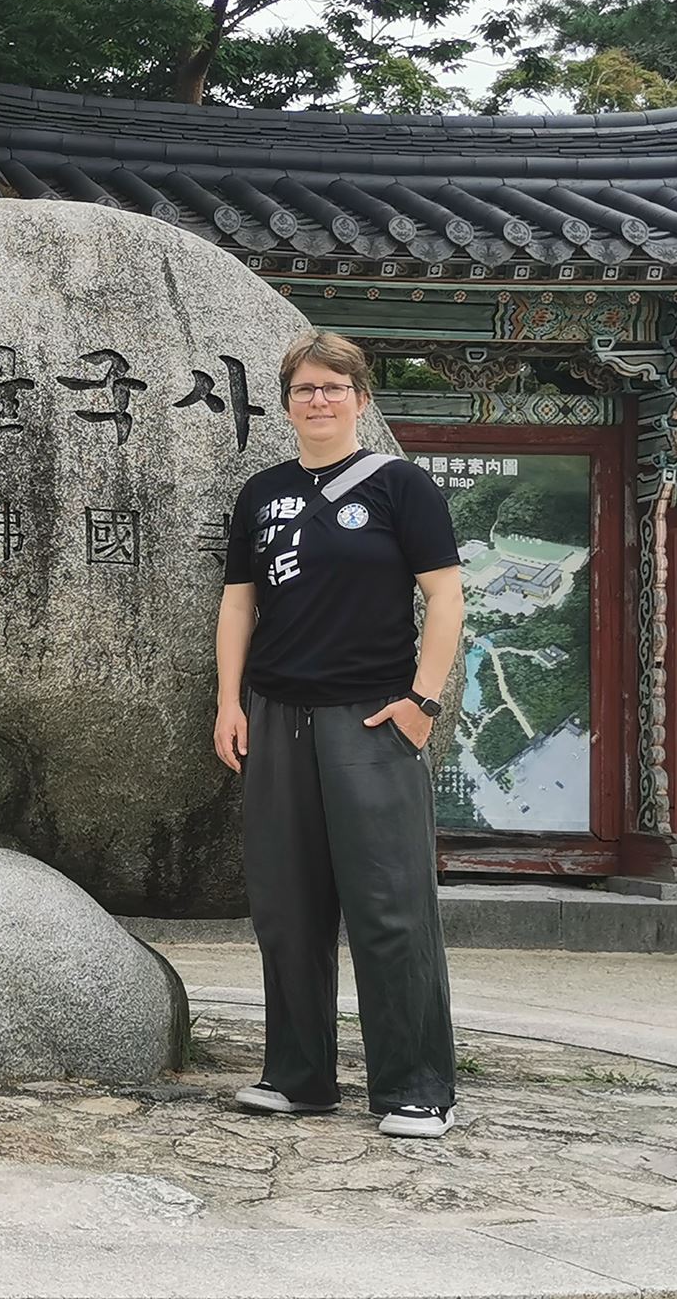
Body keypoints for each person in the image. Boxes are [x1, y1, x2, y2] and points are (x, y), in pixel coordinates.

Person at [213, 330, 466, 1138]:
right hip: (276, 716)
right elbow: (239, 603)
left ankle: (417, 1087)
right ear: (286, 404)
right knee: (287, 906)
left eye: (332, 387)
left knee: (390, 906)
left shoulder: (400, 486)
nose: (317, 400)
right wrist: (229, 702)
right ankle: (298, 1076)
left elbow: (446, 597)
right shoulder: (262, 494)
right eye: (303, 389)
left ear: (360, 398)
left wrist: (423, 701)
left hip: (372, 716)